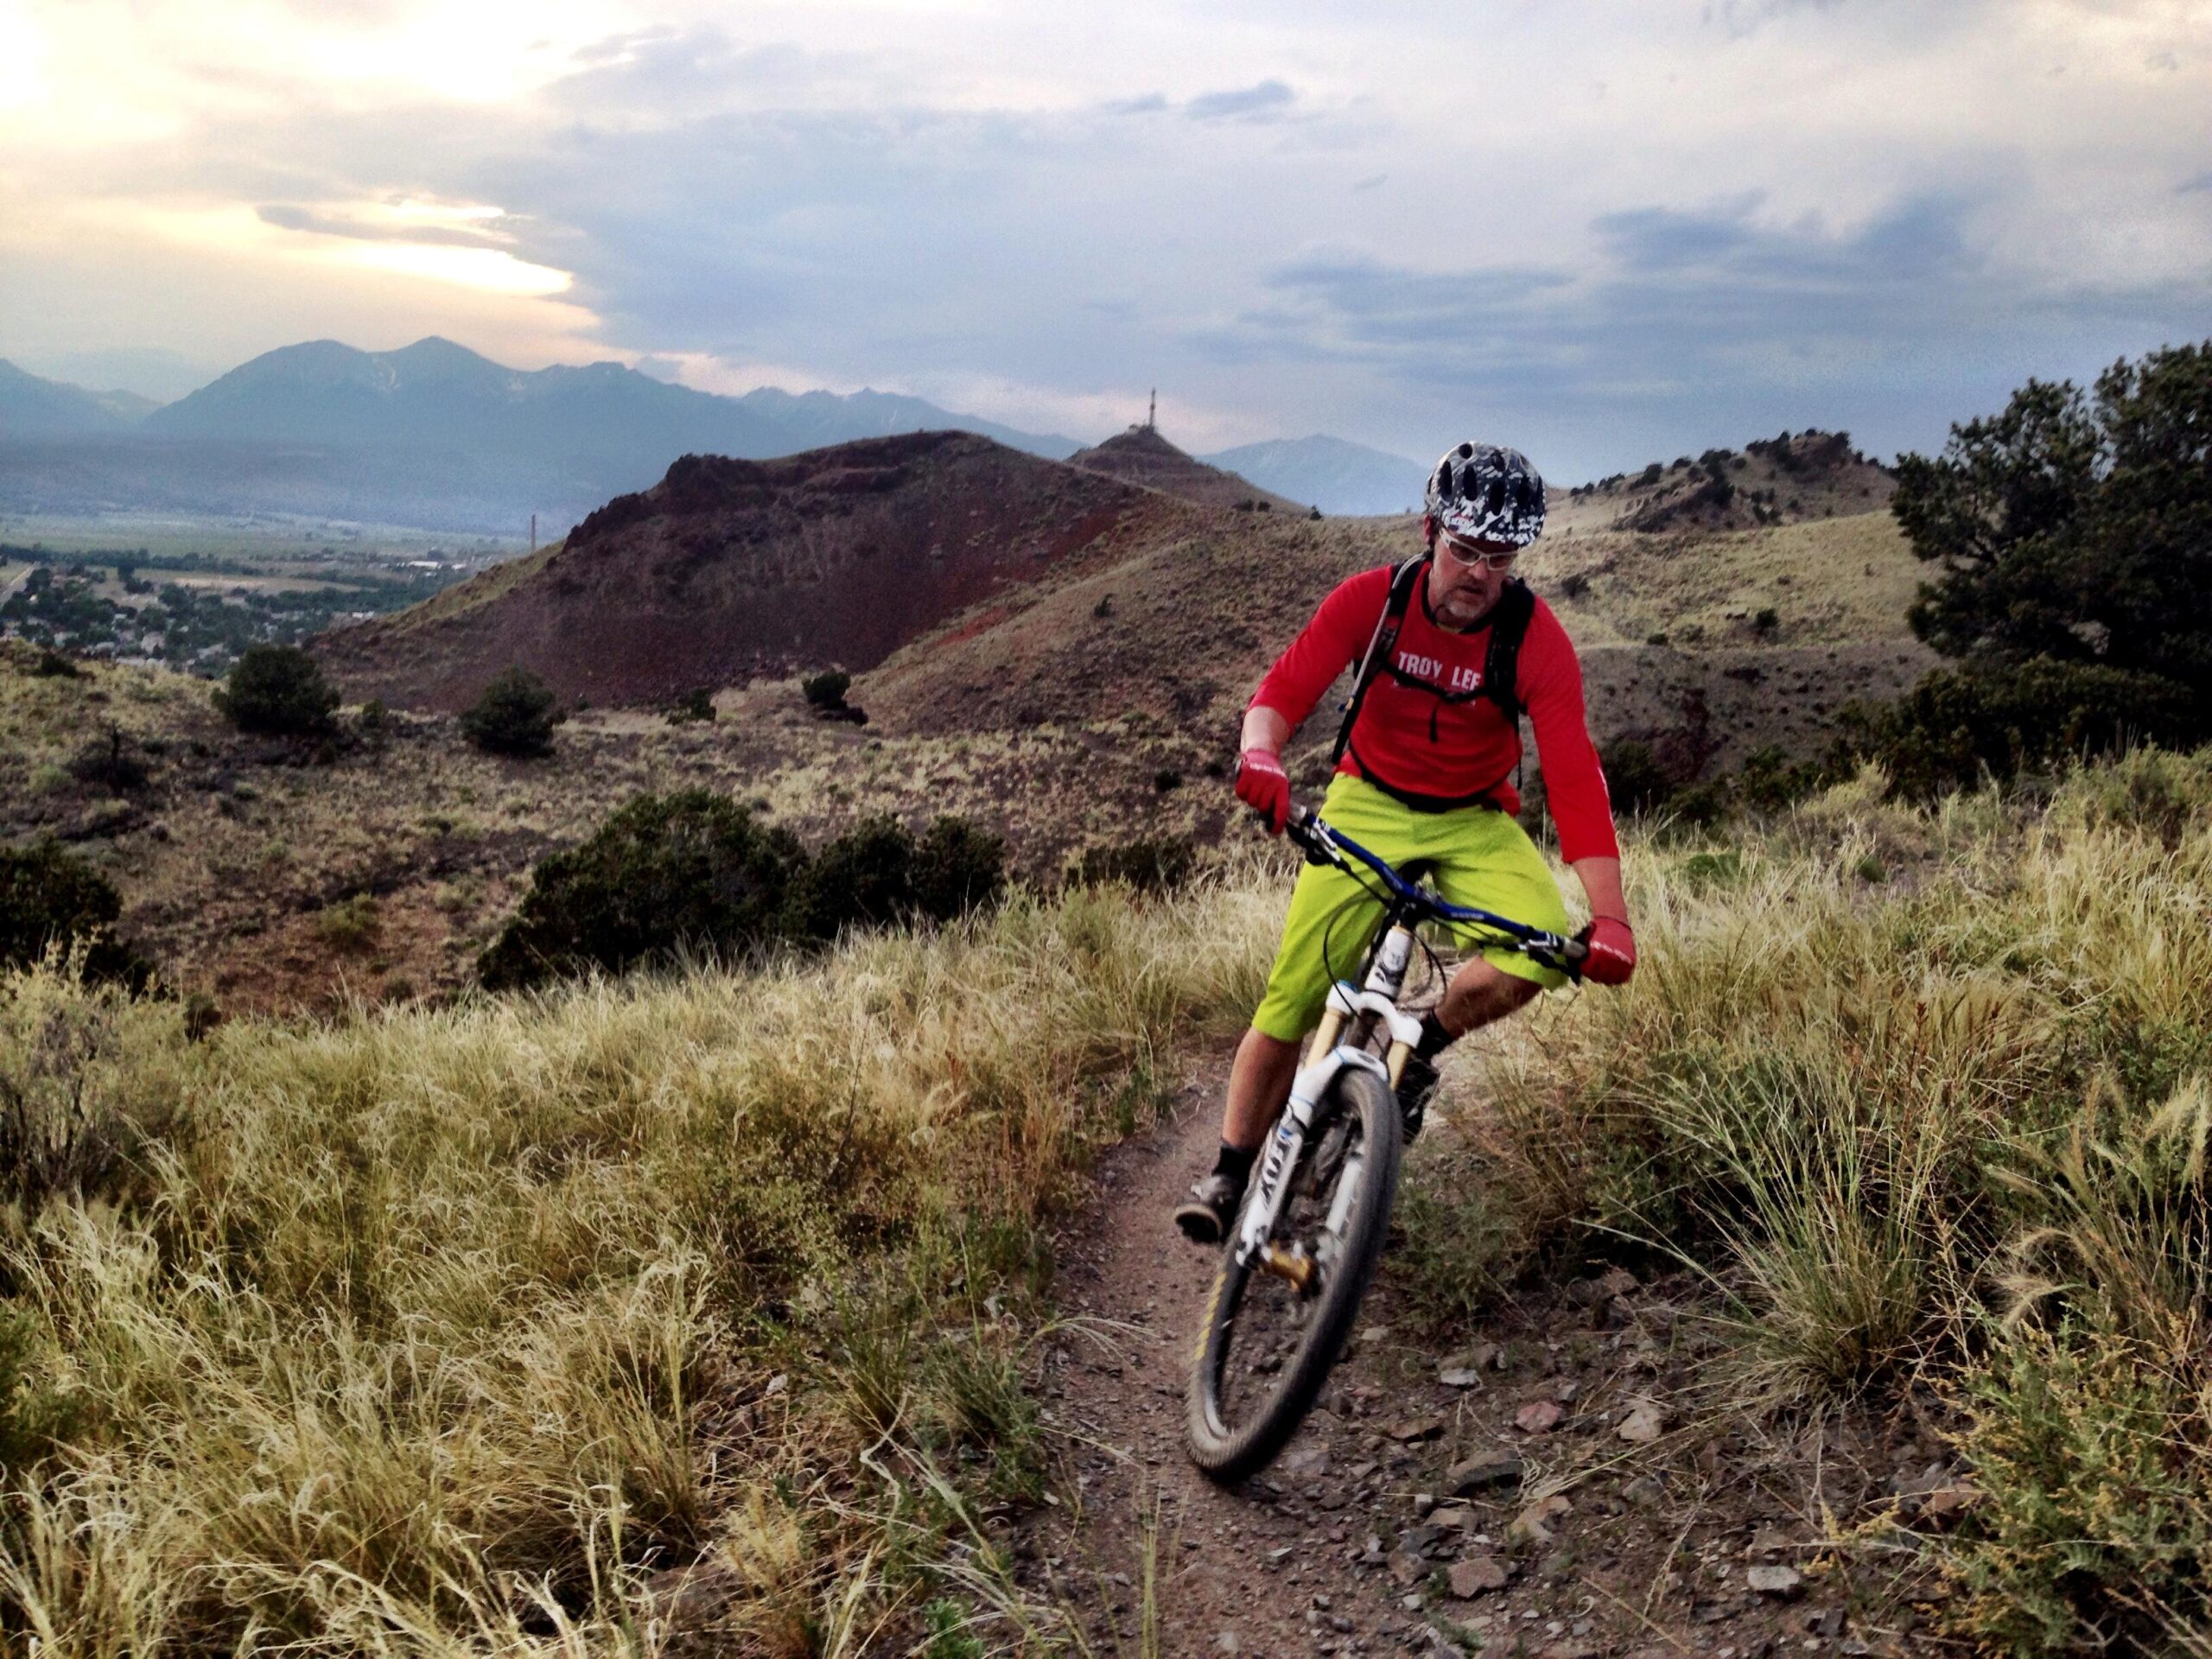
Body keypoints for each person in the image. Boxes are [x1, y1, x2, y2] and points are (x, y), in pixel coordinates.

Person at [1174, 442, 1637, 1245]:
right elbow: (1282, 692)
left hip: (1474, 817)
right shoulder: (1372, 602)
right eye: (1464, 548)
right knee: (1290, 999)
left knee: (1540, 951)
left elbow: (1574, 779)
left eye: (1500, 555)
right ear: (1430, 533)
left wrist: (1612, 917)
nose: (1480, 572)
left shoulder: (1537, 642)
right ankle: (1229, 1169)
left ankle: (1416, 1057)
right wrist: (1259, 756)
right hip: (1369, 799)